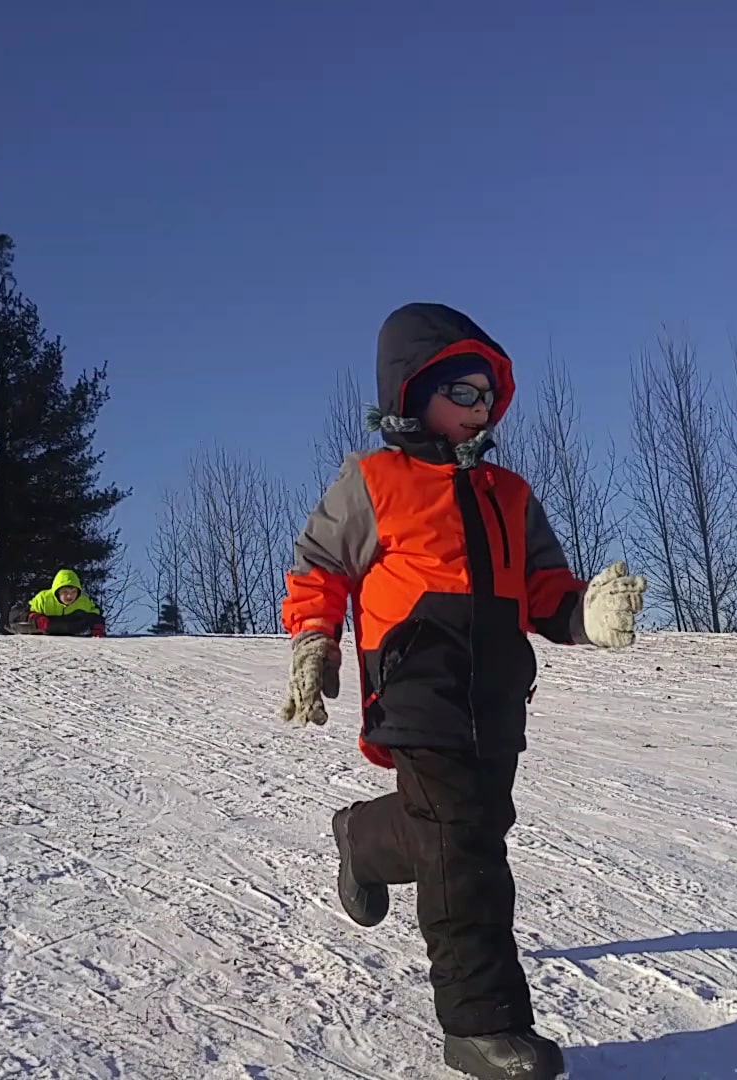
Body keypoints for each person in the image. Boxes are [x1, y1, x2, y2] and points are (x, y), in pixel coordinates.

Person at [277, 302, 647, 1080]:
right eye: (462, 392)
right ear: (414, 393)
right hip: (416, 686)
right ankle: (480, 1024)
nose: (479, 407)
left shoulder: (509, 493)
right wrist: (315, 642)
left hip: (496, 695)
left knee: (463, 827)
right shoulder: (373, 482)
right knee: (465, 846)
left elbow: (544, 587)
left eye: (487, 394)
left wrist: (587, 613)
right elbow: (319, 567)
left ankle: (363, 841)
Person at [21, 568, 107, 636]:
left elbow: (95, 615)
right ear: (57, 591)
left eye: (74, 592)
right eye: (65, 592)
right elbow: (22, 612)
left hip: (72, 632)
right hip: (44, 634)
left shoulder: (83, 601)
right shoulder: (43, 599)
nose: (70, 596)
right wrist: (35, 617)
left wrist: (97, 626)